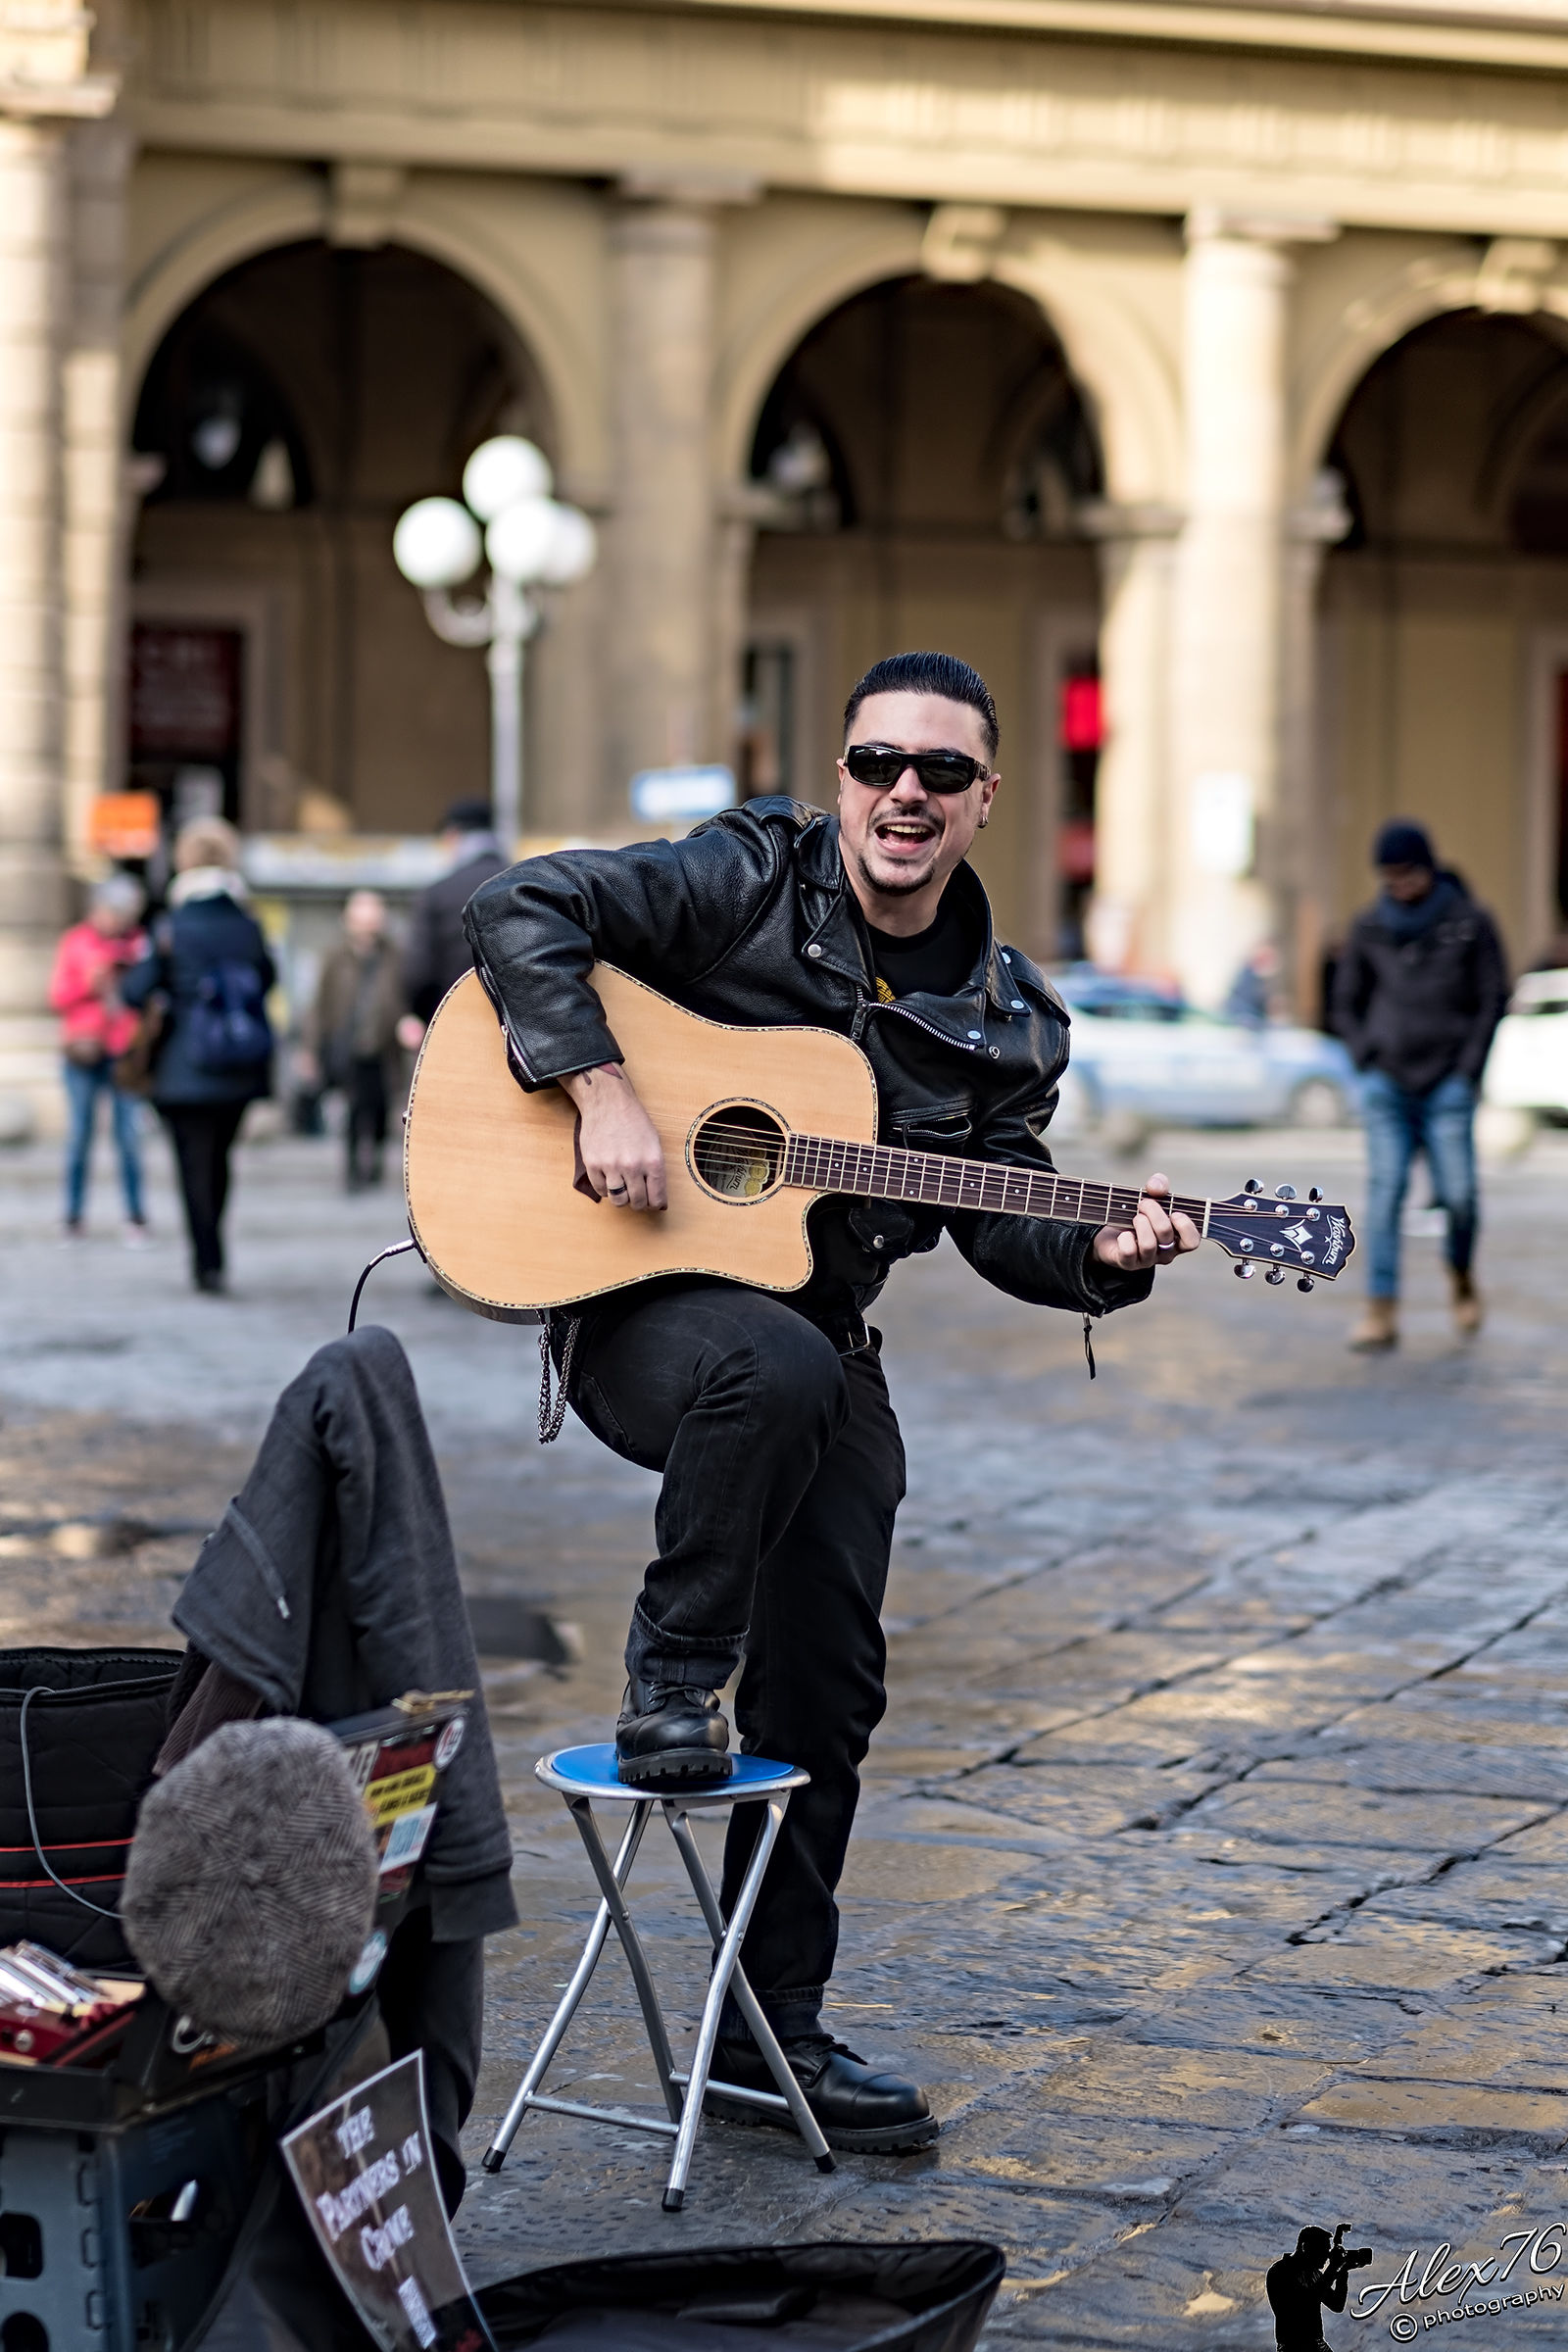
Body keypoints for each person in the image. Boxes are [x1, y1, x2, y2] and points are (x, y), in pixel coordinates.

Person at [464, 649, 1200, 2153]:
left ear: (986, 798)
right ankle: (671, 1682)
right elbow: (519, 907)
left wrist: (1101, 1254)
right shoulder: (744, 877)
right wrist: (602, 1087)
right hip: (639, 1305)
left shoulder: (1008, 1020)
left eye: (941, 770)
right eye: (878, 763)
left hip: (816, 1336)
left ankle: (764, 2037)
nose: (904, 792)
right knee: (773, 1363)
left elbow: (1001, 1213)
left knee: (832, 1681)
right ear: (843, 776)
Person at [1332, 819, 1507, 1350]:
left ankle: (1461, 1275)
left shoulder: (1470, 922)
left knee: (1459, 1196)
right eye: (1389, 876)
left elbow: (1493, 997)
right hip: (1387, 1082)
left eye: (1407, 873)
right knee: (1385, 1194)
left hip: (1447, 1083)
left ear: (1429, 867)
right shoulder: (1369, 926)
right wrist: (1366, 1055)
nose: (1400, 885)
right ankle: (1380, 1310)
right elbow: (1345, 1002)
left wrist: (1468, 1069)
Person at [122, 815, 275, 1296]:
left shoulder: (171, 925)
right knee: (220, 1158)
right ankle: (214, 1252)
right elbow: (268, 979)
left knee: (192, 1163)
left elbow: (134, 990)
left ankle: (205, 1258)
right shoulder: (248, 924)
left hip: (181, 1065)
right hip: (237, 1062)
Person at [48, 873, 149, 1243]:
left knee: (129, 1137)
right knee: (79, 1135)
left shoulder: (139, 944)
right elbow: (57, 996)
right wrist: (88, 983)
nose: (117, 921)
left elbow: (147, 997)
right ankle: (73, 1216)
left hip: (123, 1050)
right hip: (84, 1049)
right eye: (113, 912)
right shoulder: (76, 941)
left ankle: (135, 1216)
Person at [299, 889, 406, 1191]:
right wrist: (310, 1048)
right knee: (351, 1110)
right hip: (347, 1045)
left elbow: (403, 997)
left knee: (380, 1107)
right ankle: (353, 1170)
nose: (368, 925)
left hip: (384, 1048)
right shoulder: (335, 956)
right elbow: (319, 1005)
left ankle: (374, 1164)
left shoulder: (394, 956)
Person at [398, 798, 508, 1052]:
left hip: (455, 1030)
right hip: (519, 1035)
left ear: (454, 835)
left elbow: (419, 974)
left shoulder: (439, 894)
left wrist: (421, 1015)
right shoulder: (526, 885)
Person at [1266, 2227, 1351, 2350]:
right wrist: (1333, 2268)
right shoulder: (1280, 2271)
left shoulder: (1313, 2273)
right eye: (1322, 2251)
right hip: (1292, 2346)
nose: (1327, 2256)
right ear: (1305, 2247)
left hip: (1316, 2344)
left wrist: (1343, 2272)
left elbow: (1337, 2305)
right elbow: (1305, 2303)